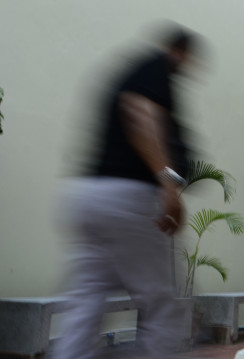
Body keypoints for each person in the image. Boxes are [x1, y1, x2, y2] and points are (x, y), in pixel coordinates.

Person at [55, 23, 202, 359]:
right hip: (128, 200)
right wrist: (168, 183)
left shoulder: (132, 70)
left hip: (88, 197)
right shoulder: (156, 69)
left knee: (85, 304)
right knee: (162, 304)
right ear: (180, 53)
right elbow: (140, 114)